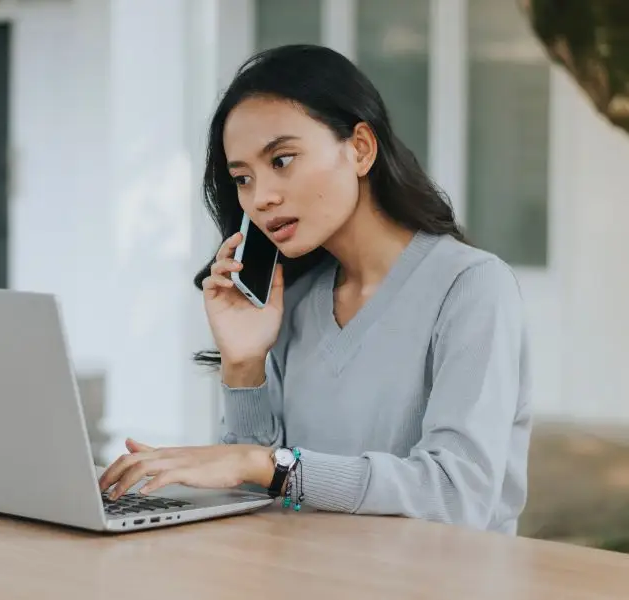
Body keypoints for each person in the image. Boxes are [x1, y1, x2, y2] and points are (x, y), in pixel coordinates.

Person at [98, 44, 531, 534]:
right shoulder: (296, 300)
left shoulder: (471, 286)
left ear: (361, 148)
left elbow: (457, 495)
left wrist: (268, 465)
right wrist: (244, 364)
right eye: (243, 178)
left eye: (282, 160)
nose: (261, 197)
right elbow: (252, 494)